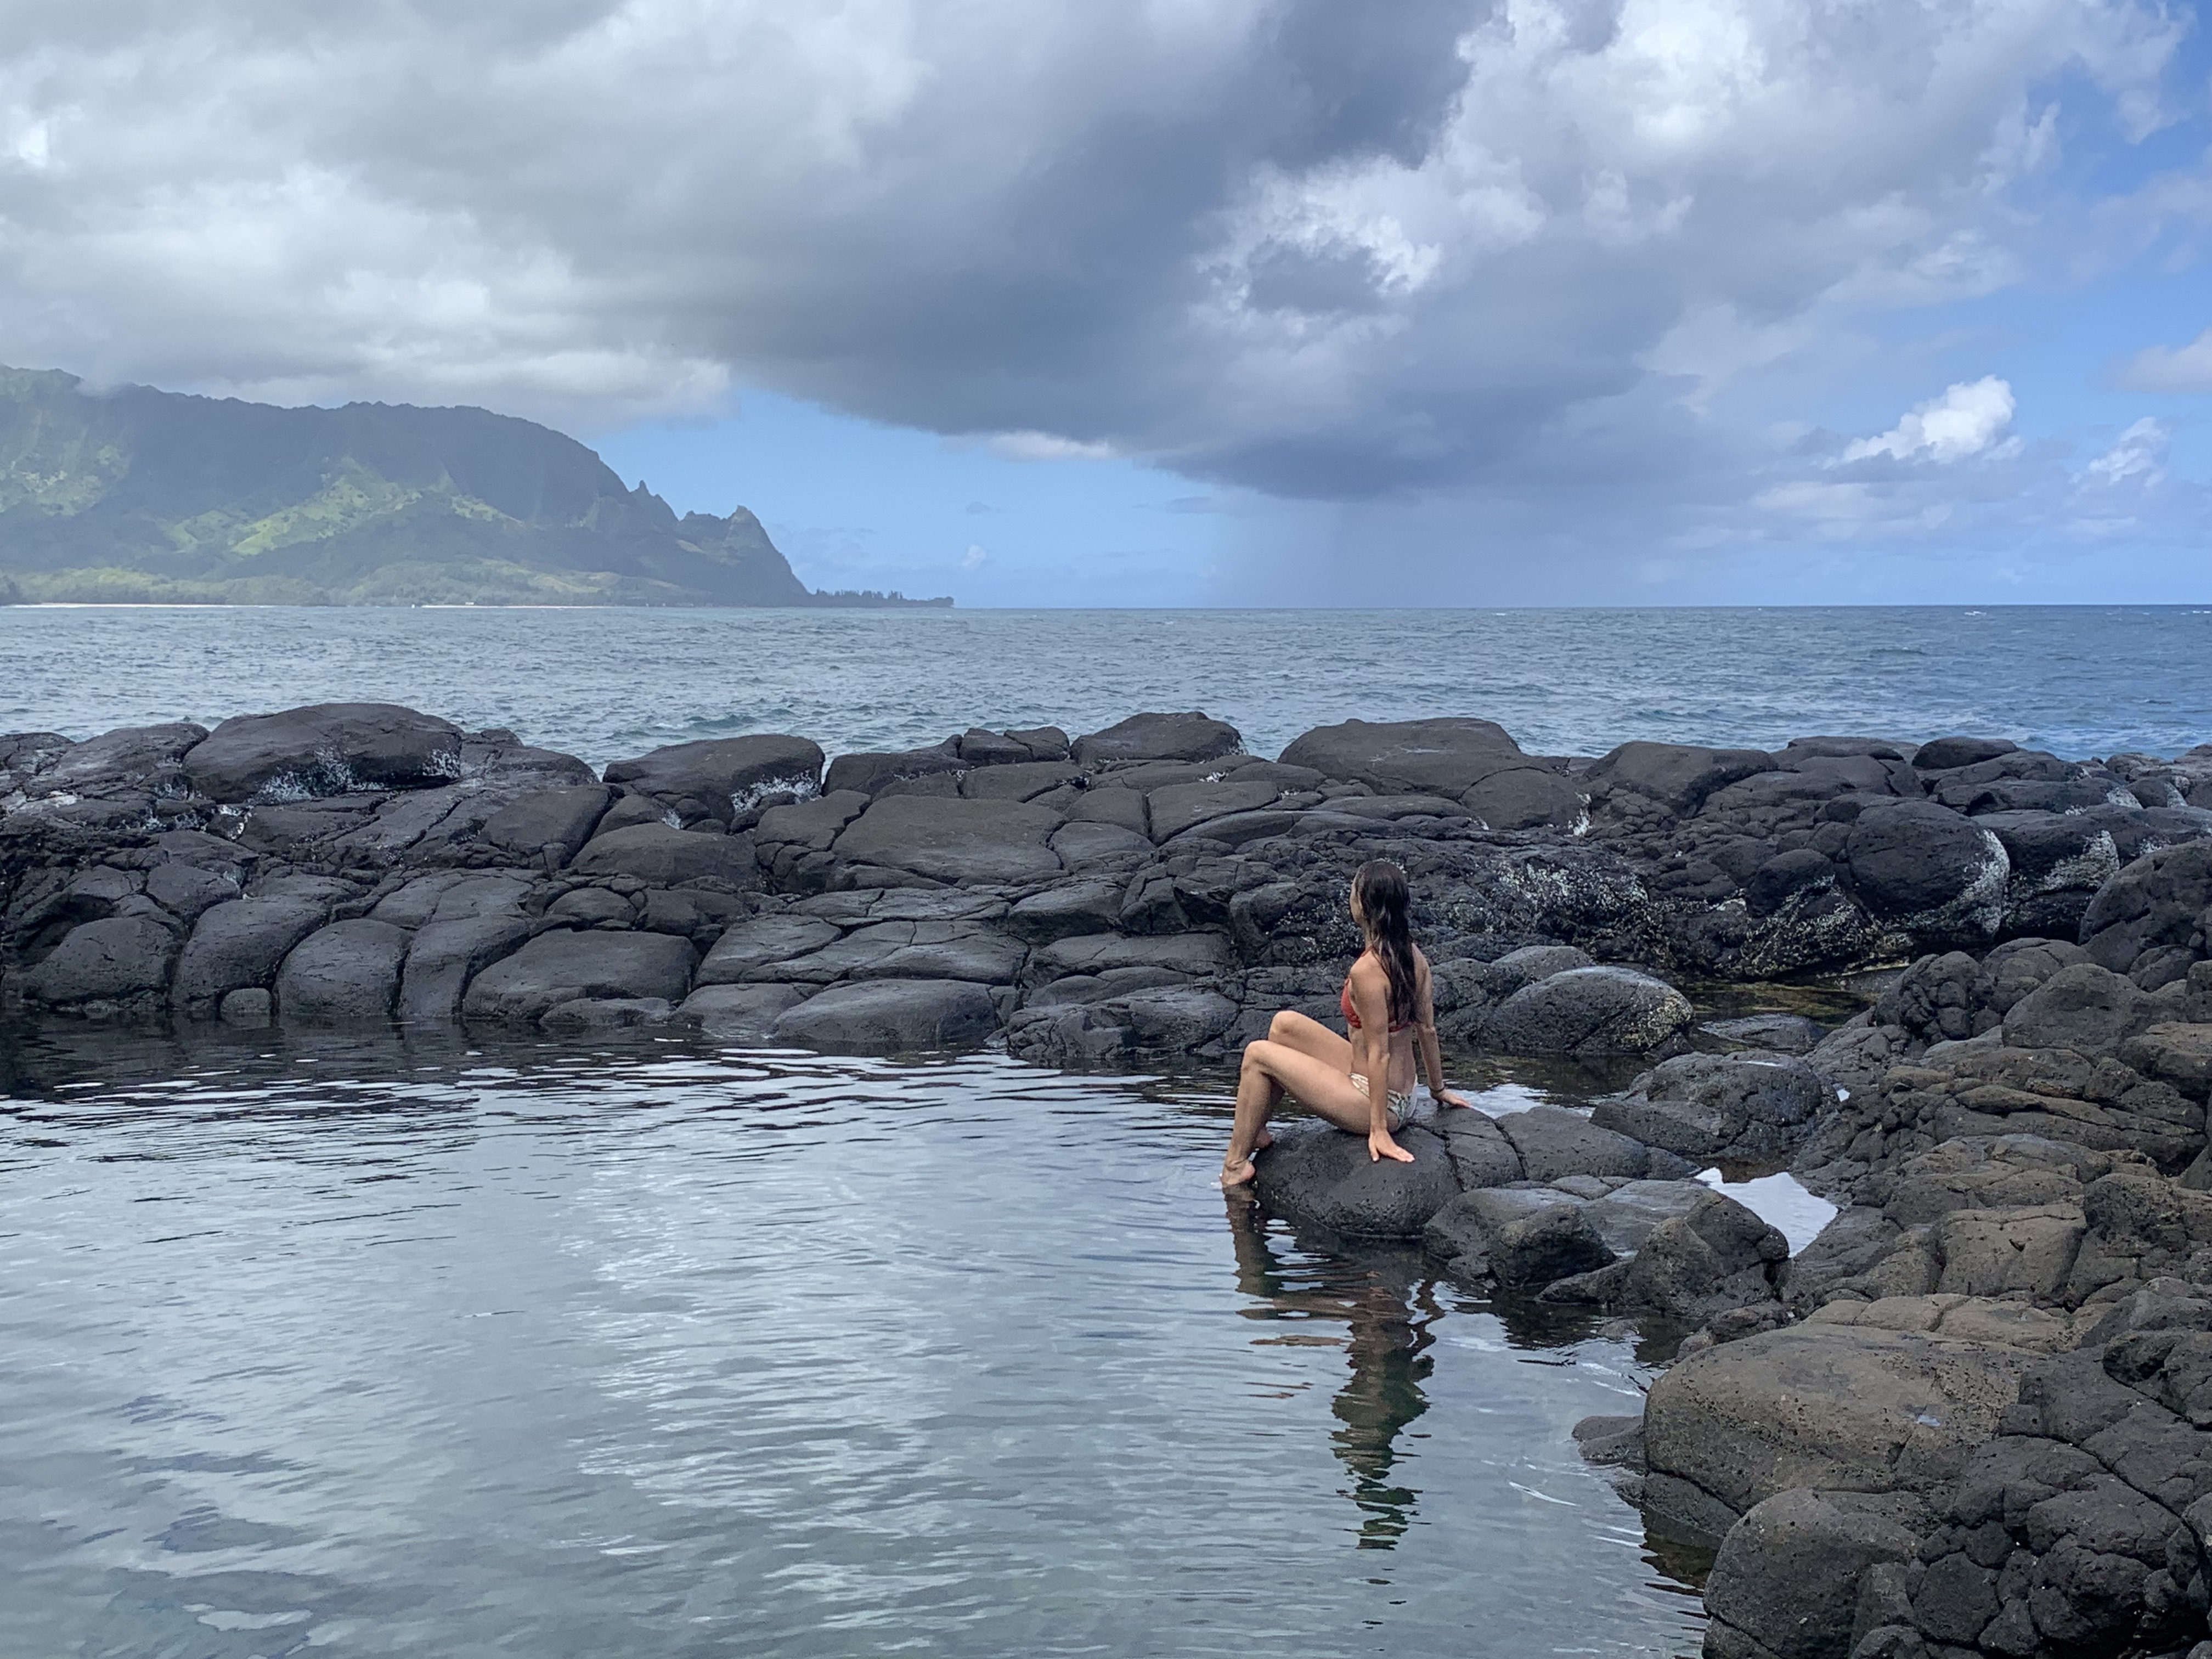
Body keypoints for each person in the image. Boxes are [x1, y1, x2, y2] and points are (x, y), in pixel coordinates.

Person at [1220, 859, 1470, 1187]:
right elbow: (1427, 1029)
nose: (1349, 896)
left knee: (1256, 1054)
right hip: (1402, 1094)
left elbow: (1380, 1053)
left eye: (1353, 890)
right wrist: (1437, 1090)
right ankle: (1256, 1129)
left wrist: (1379, 1130)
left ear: (1363, 906)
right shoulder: (1413, 955)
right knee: (1284, 1025)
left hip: (1379, 1103)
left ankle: (1235, 1165)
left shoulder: (1367, 972)